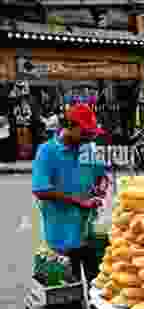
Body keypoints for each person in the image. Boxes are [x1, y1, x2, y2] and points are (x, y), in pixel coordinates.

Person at [32, 104, 107, 283]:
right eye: (85, 132)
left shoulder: (88, 149)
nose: (89, 137)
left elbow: (101, 176)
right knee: (69, 295)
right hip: (62, 237)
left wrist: (101, 186)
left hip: (89, 233)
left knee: (95, 289)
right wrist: (79, 201)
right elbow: (40, 189)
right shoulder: (47, 151)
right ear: (70, 126)